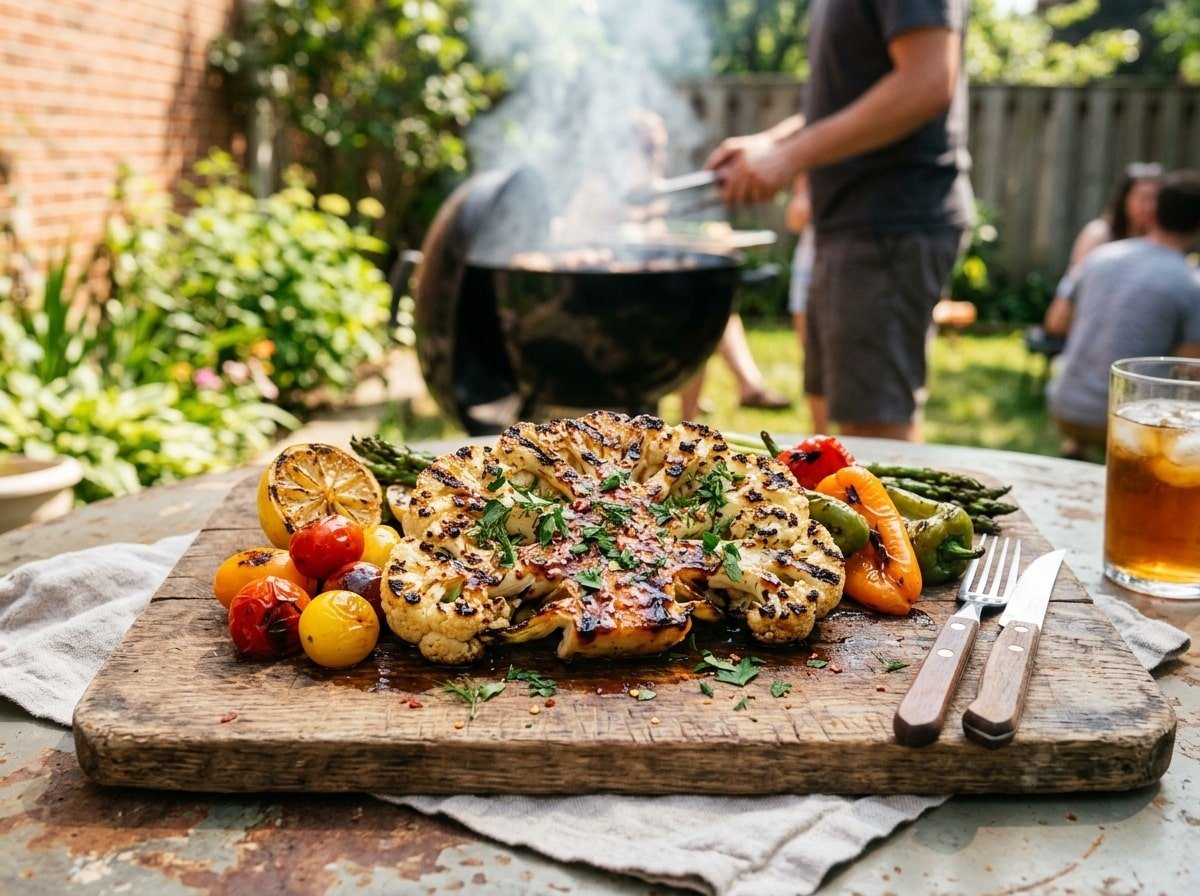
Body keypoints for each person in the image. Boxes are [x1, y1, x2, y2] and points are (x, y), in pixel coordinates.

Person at [705, 0, 973, 441]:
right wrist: (771, 143)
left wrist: (788, 158)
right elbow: (852, 95)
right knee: (837, 414)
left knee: (875, 430)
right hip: (847, 224)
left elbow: (926, 81)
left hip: (888, 222)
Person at [1045, 170, 1200, 461]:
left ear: (1154, 212)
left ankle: (1076, 448)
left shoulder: (1101, 256)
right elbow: (1190, 368)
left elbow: (1055, 322)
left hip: (1066, 406)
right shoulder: (1191, 282)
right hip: (1126, 418)